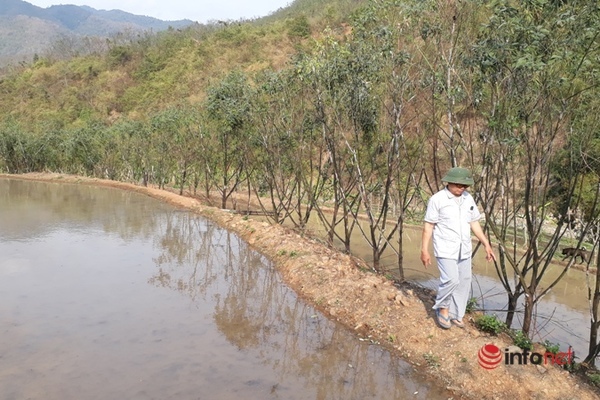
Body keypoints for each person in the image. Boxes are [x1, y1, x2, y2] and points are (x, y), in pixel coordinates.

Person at [420, 167, 496, 329]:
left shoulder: (468, 199)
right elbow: (429, 225)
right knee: (451, 279)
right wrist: (424, 250)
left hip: (464, 248)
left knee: (464, 281)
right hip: (445, 247)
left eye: (465, 186)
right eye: (458, 185)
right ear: (449, 182)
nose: (462, 188)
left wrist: (486, 244)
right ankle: (443, 309)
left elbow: (474, 223)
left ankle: (456, 313)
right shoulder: (437, 199)